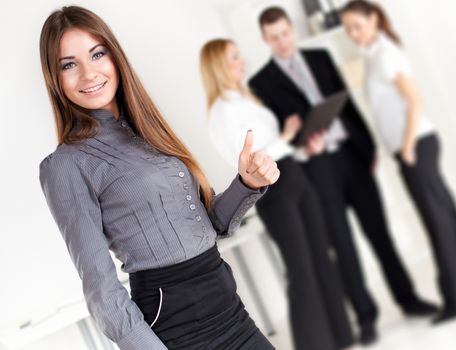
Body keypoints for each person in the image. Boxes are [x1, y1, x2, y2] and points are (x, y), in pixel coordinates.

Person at [38, 6, 278, 349]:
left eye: (97, 54)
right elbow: (102, 292)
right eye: (69, 64)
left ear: (115, 57)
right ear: (55, 77)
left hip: (230, 311)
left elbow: (209, 225)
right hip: (177, 328)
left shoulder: (149, 132)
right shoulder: (66, 165)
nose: (89, 73)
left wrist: (247, 183)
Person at [249, 6, 437, 345]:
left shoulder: (320, 56)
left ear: (292, 29)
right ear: (265, 39)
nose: (282, 42)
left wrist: (368, 150)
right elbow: (278, 135)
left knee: (380, 234)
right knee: (343, 246)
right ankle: (366, 317)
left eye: (285, 33)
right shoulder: (260, 83)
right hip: (315, 170)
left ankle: (408, 298)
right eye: (274, 37)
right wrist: (306, 148)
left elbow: (347, 105)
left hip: (352, 157)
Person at [340, 0, 456, 324]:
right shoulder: (374, 54)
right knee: (448, 215)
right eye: (348, 28)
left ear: (374, 19)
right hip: (412, 146)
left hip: (417, 146)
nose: (353, 33)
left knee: (438, 222)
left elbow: (414, 100)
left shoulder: (386, 53)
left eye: (357, 26)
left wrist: (406, 148)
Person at [201, 38, 356, 350]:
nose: (241, 62)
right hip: (274, 191)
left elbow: (276, 146)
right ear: (218, 65)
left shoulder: (248, 99)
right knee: (301, 269)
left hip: (296, 176)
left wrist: (299, 144)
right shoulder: (222, 112)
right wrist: (285, 136)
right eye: (234, 57)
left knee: (320, 259)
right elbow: (247, 162)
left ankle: (341, 338)